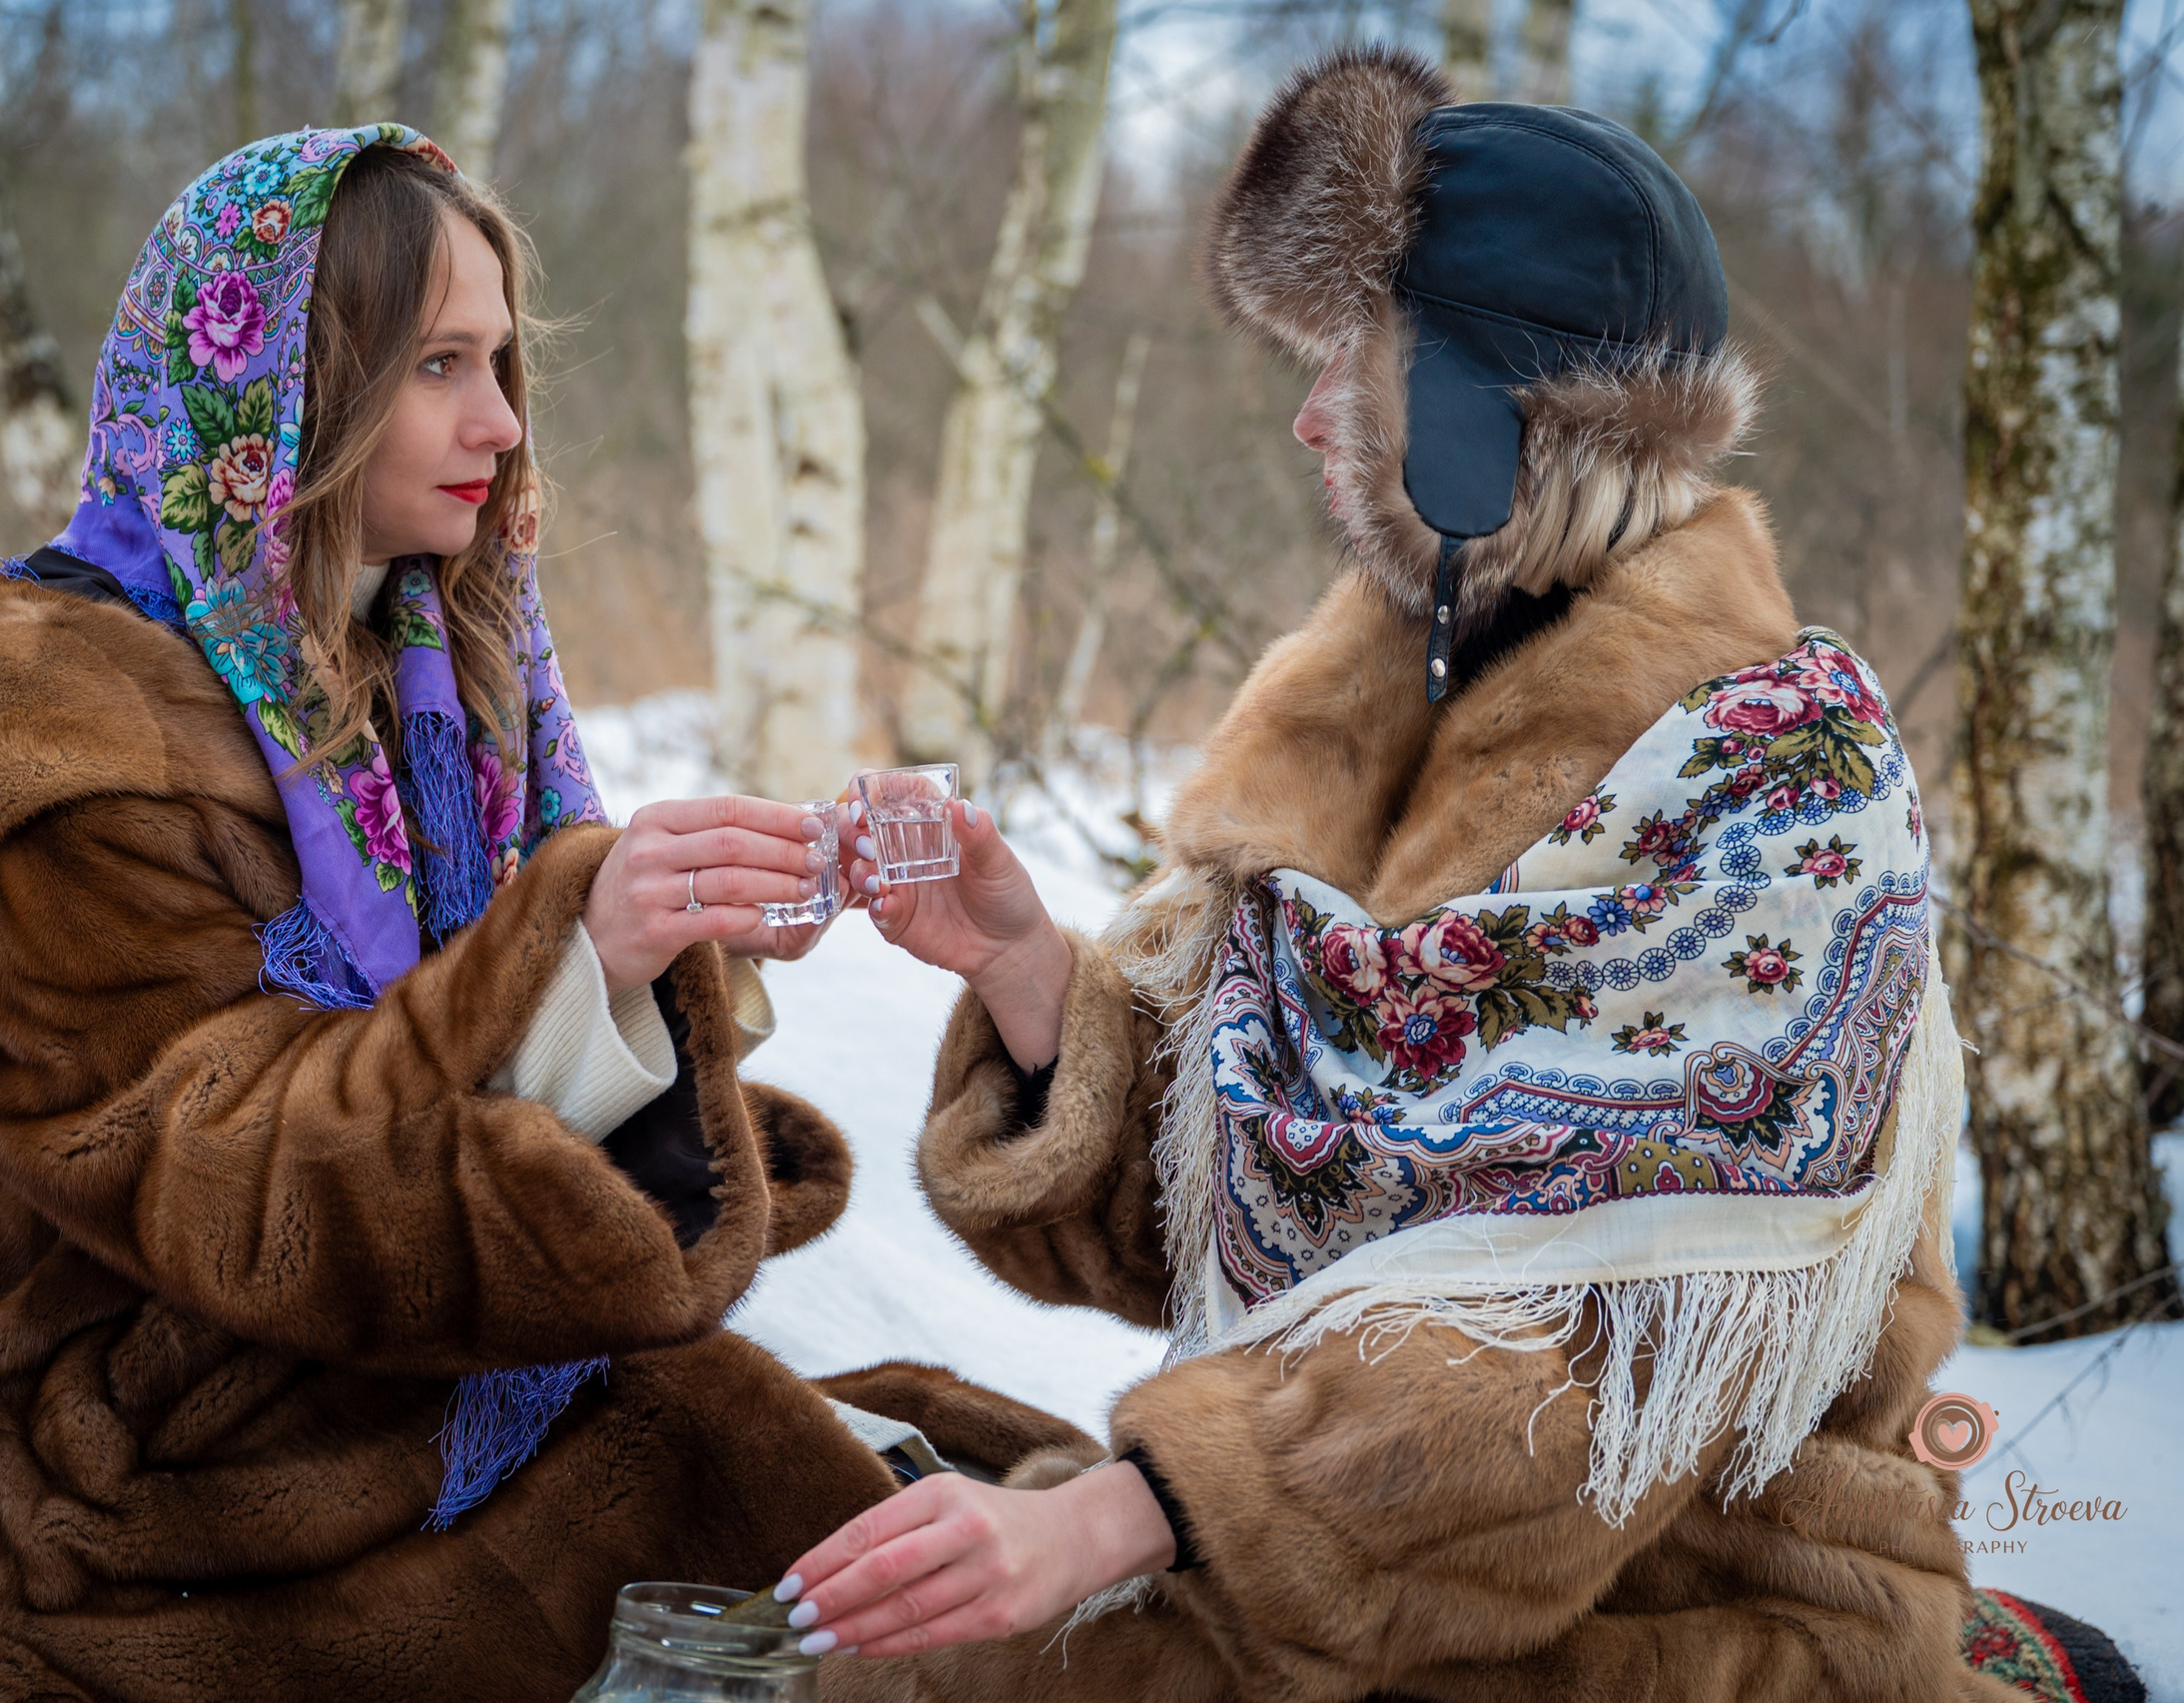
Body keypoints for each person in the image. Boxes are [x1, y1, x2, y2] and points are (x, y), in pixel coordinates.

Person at [0, 126, 1082, 1703]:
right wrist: (582, 955)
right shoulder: (43, 745)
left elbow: (472, 1046)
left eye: (501, 359)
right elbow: (239, 1184)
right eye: (440, 363)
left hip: (383, 1368)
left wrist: (668, 952)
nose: (502, 423)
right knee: (833, 1535)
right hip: (107, 1442)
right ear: (284, 390)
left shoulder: (434, 658)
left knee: (962, 1487)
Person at [784, 50, 2025, 1703]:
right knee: (811, 1484)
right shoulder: (1360, 723)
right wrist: (1021, 967)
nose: (1308, 415)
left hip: (1688, 1608)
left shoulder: (1775, 790)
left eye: (1349, 365)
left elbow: (1590, 1365)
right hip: (1344, 1562)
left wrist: (1129, 1511)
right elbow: (1259, 1214)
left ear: (1485, 403)